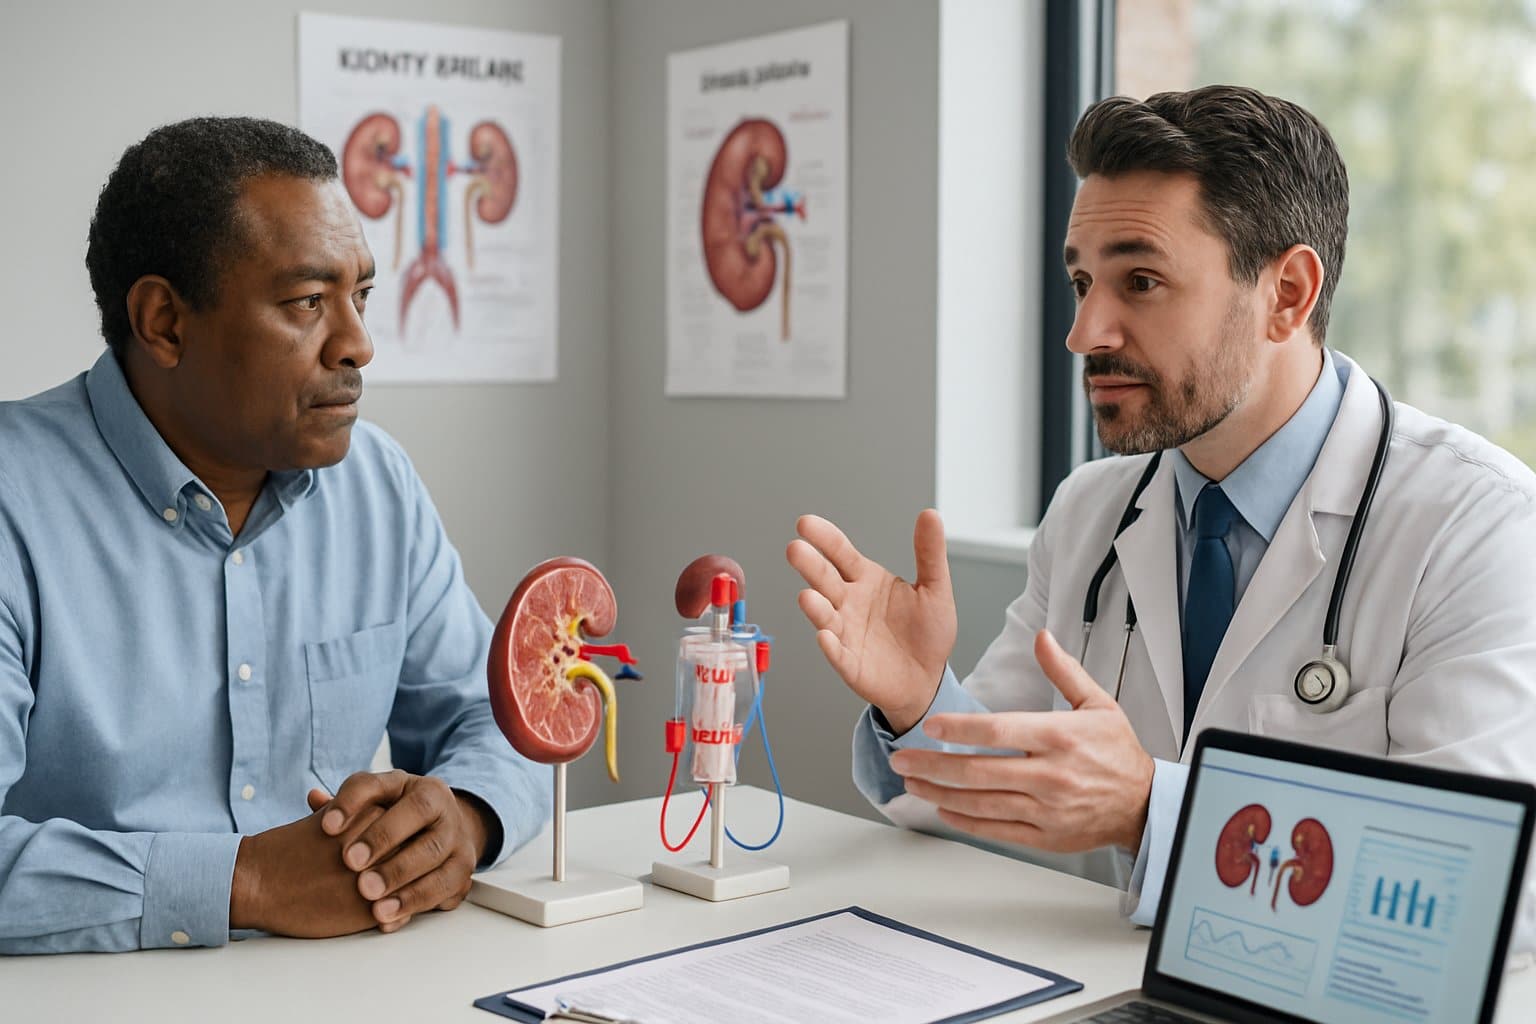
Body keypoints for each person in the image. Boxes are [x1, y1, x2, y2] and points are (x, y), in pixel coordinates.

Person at [788, 85, 1536, 951]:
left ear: (1286, 294)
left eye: (1140, 280)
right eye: (1081, 281)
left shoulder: (1478, 526)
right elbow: (1000, 799)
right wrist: (922, 707)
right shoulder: (1091, 513)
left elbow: (1480, 884)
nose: (1084, 332)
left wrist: (1153, 811)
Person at [0, 117, 549, 954]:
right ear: (165, 323)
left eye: (359, 296)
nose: (358, 344)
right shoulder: (14, 501)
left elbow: (492, 719)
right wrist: (247, 882)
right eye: (306, 303)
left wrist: (463, 821)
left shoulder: (378, 484)